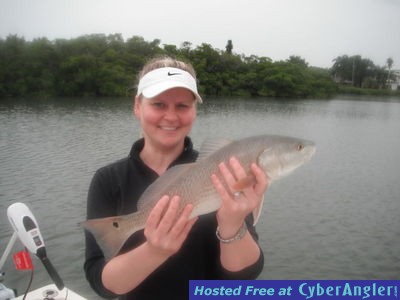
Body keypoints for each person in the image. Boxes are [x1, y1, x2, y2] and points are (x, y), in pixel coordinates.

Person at [84, 56, 269, 299]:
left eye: (182, 106)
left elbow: (244, 277)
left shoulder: (226, 170)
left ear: (194, 111)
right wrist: (154, 251)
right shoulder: (108, 179)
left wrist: (232, 224)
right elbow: (102, 282)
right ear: (137, 106)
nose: (171, 117)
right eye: (158, 104)